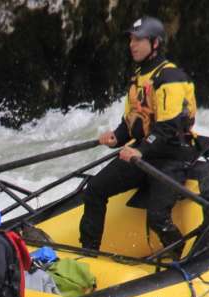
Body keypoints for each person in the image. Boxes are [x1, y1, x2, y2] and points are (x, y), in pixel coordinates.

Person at [78, 15, 199, 259]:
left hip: (171, 156)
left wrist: (141, 150)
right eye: (131, 39)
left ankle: (181, 257)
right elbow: (133, 120)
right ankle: (87, 254)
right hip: (144, 153)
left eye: (139, 40)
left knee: (157, 216)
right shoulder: (138, 76)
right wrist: (117, 136)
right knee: (94, 190)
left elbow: (169, 126)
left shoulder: (170, 77)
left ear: (155, 43)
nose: (132, 44)